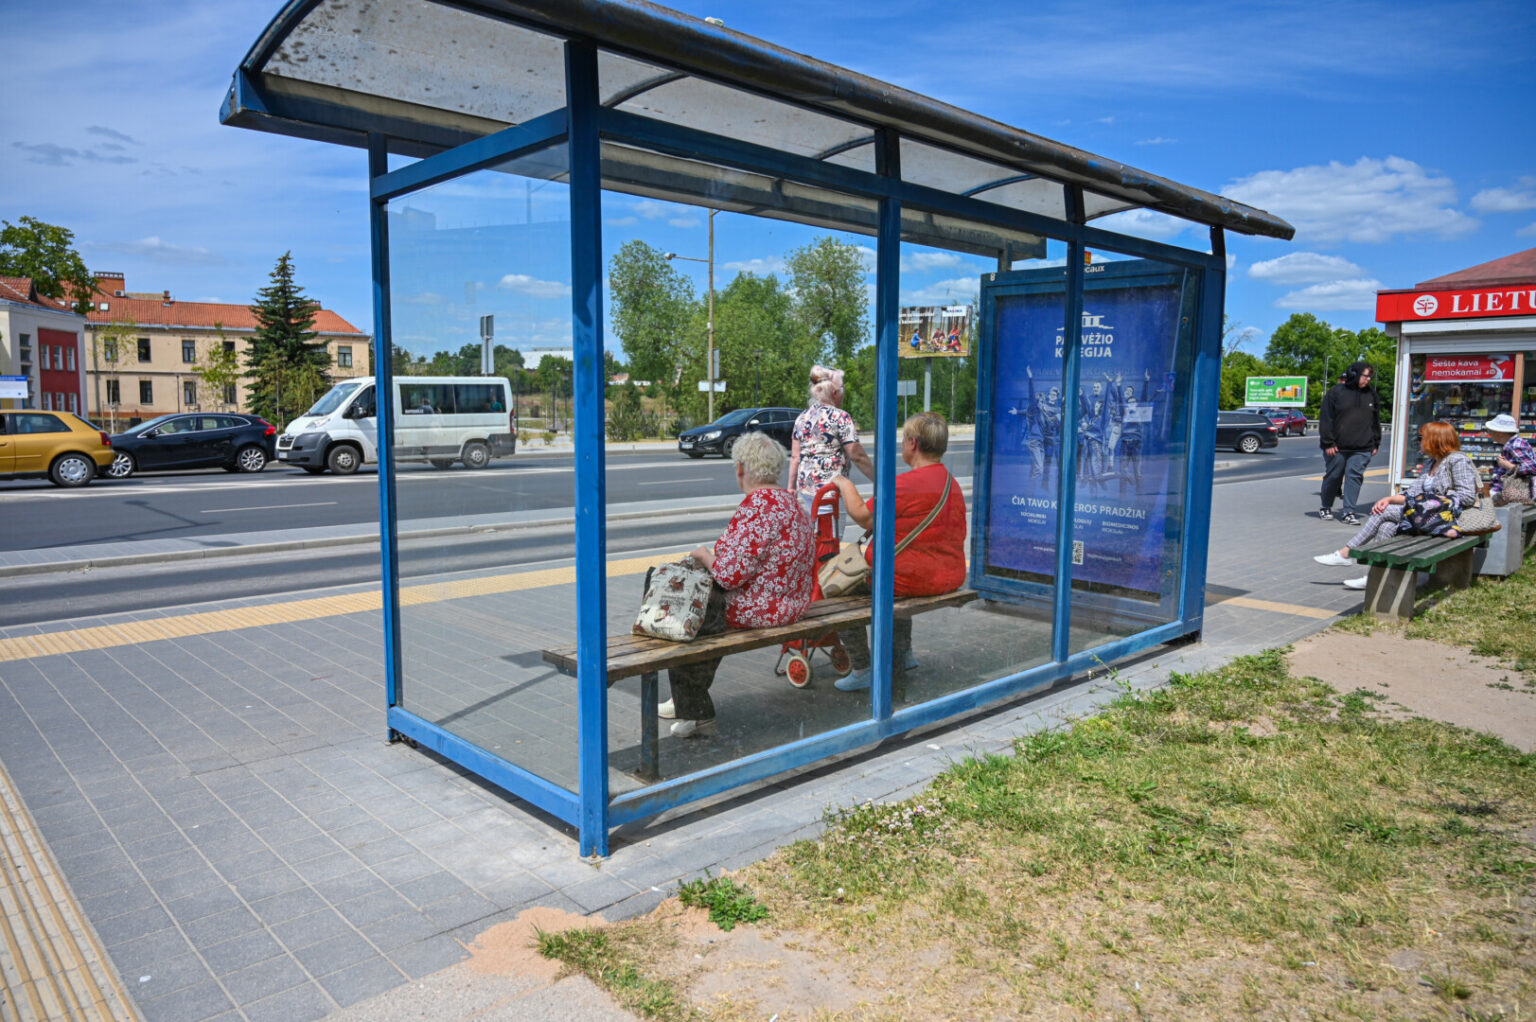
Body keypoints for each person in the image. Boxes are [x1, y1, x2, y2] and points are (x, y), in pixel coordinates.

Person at [656, 431, 815, 737]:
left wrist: (704, 555)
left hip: (761, 610)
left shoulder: (757, 508)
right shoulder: (792, 504)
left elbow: (729, 576)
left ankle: (696, 712)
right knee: (704, 612)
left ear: (741, 468)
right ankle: (686, 700)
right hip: (793, 605)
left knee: (683, 610)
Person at [826, 412, 968, 692]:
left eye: (903, 439)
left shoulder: (906, 483)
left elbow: (863, 517)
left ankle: (863, 668)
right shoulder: (951, 482)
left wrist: (844, 483)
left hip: (915, 580)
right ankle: (904, 654)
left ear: (913, 444)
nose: (902, 444)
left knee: (837, 588)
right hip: (948, 576)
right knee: (902, 577)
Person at [1313, 421, 1478, 590]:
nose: (1419, 441)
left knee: (1383, 512)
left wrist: (1433, 501)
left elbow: (1467, 496)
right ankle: (1374, 577)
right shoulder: (1430, 463)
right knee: (1386, 526)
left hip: (1444, 520)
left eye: (1421, 438)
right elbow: (1412, 493)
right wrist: (1389, 499)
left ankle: (1347, 552)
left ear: (1435, 439)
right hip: (1424, 516)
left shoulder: (1457, 460)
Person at [788, 365, 875, 530]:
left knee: (816, 536)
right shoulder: (840, 417)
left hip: (806, 489)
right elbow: (857, 455)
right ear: (835, 393)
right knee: (831, 539)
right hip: (829, 491)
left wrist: (791, 488)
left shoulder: (802, 418)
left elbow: (795, 457)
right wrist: (878, 480)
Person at [1317, 361, 1381, 525]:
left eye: (1370, 376)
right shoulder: (1336, 392)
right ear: (1355, 375)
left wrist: (1376, 443)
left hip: (1363, 447)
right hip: (1337, 447)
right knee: (1334, 476)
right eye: (1365, 376)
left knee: (1354, 476)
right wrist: (1328, 442)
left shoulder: (1371, 395)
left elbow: (1375, 421)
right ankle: (1326, 506)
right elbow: (1326, 419)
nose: (1368, 379)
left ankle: (1349, 512)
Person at [1484, 413, 1535, 505]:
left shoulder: (1515, 445)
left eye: (1490, 430)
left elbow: (1532, 468)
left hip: (1514, 496)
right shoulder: (1513, 443)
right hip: (1509, 495)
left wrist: (1508, 466)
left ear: (1500, 433)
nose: (1489, 433)